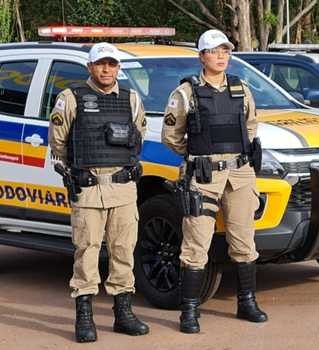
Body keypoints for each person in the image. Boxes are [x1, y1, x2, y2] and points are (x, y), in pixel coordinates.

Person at [162, 29, 267, 334]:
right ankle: (189, 310)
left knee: (244, 242)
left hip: (240, 174)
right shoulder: (186, 93)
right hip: (204, 176)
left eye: (225, 51)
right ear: (201, 56)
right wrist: (199, 154)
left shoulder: (241, 88)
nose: (221, 56)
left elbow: (250, 126)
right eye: (214, 51)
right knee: (196, 244)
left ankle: (247, 302)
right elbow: (171, 136)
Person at [49, 42, 149, 343]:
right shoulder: (71, 98)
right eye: (101, 64)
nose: (106, 69)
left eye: (112, 64)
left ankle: (123, 313)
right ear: (90, 67)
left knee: (123, 250)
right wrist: (76, 167)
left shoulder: (131, 98)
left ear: (118, 68)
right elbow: (58, 141)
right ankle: (84, 316)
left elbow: (139, 135)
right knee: (87, 251)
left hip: (123, 188)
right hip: (88, 188)